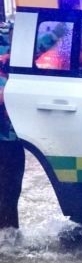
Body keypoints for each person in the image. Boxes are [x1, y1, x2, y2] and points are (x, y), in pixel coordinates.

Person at [0, 22, 24, 245]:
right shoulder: (7, 51)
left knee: (11, 191)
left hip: (12, 137)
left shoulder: (15, 52)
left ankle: (10, 238)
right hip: (7, 137)